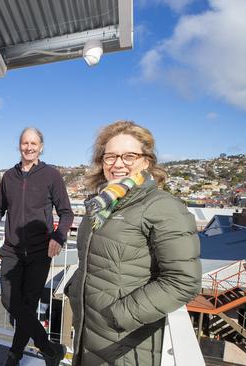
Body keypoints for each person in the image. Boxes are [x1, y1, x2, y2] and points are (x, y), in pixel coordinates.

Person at [67, 121, 201, 365]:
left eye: (129, 155)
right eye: (110, 156)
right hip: (88, 333)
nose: (118, 164)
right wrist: (75, 289)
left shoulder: (162, 206)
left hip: (125, 344)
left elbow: (183, 281)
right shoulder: (101, 205)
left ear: (146, 161)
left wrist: (119, 316)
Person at [0, 127, 74, 366]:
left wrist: (58, 237)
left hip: (39, 251)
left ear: (41, 147)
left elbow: (66, 213)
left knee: (28, 305)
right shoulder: (8, 176)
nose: (29, 147)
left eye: (34, 143)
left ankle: (14, 354)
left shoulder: (51, 175)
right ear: (19, 146)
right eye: (25, 143)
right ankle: (49, 348)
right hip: (11, 249)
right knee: (9, 300)